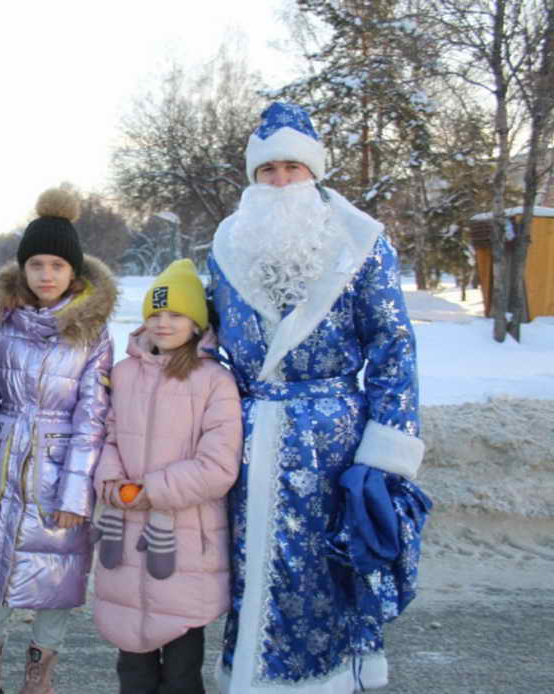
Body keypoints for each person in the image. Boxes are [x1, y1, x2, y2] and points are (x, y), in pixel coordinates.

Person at [206, 102, 430, 693]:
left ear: (315, 173)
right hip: (252, 443)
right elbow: (205, 334)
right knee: (254, 574)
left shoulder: (360, 243)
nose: (280, 182)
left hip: (334, 446)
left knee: (323, 577)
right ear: (252, 178)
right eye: (268, 170)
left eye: (292, 169)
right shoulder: (228, 244)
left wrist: (383, 456)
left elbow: (393, 346)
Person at [0, 187, 117, 694]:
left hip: (57, 474)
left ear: (74, 273)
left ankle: (38, 679)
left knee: (56, 582)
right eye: (37, 264)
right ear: (22, 269)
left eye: (57, 266)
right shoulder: (2, 327)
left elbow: (92, 419)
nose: (46, 275)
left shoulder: (93, 335)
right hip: (0, 470)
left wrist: (75, 496)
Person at [91, 258, 242, 694]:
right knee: (132, 666)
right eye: (155, 313)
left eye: (175, 314)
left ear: (196, 323)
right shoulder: (122, 374)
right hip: (125, 531)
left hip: (181, 545)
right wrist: (111, 480)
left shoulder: (215, 382)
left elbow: (217, 466)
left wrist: (150, 490)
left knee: (180, 670)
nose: (163, 323)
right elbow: (108, 438)